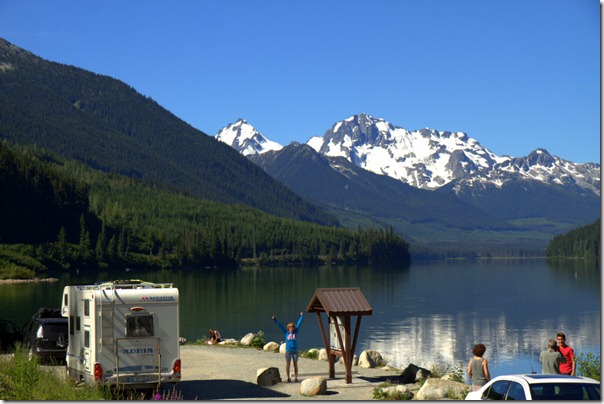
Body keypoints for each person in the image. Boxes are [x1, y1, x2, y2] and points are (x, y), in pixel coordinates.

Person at [272, 312, 303, 382]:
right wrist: (275, 320)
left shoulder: (296, 332)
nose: (291, 327)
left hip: (295, 350)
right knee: (288, 364)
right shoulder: (286, 332)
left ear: (293, 327)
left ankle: (296, 377)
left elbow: (299, 324)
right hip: (288, 350)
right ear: (288, 327)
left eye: (292, 326)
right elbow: (280, 326)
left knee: (295, 364)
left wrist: (301, 316)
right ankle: (288, 377)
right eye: (290, 326)